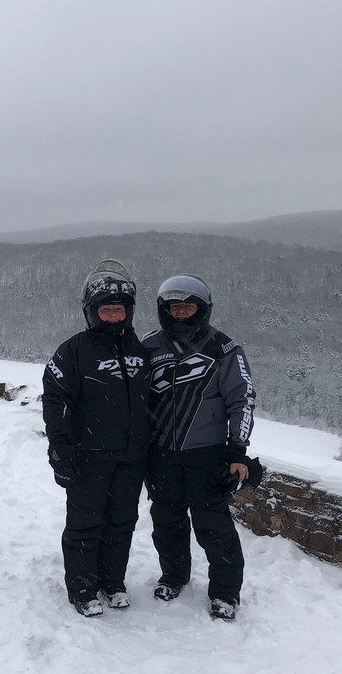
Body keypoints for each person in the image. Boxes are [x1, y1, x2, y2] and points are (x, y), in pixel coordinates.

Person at [140, 273, 259, 621]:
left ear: (202, 309)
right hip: (160, 454)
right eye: (174, 307)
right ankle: (174, 576)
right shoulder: (148, 347)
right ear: (164, 310)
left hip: (207, 454)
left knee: (214, 526)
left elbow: (243, 400)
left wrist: (238, 451)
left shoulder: (223, 349)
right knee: (166, 522)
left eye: (188, 307)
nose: (180, 313)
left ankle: (225, 593)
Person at [42, 259, 151, 617]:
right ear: (91, 313)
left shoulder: (140, 350)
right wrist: (61, 449)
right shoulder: (73, 352)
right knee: (85, 524)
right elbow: (56, 400)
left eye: (119, 310)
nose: (114, 317)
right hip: (88, 456)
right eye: (106, 310)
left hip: (131, 456)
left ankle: (112, 581)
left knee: (121, 522)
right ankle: (83, 587)